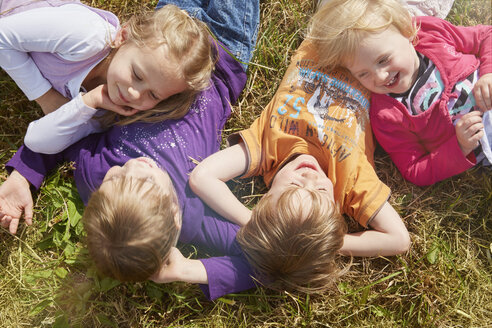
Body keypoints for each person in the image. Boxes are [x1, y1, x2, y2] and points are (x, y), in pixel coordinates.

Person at [0, 0, 260, 300]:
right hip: (222, 54)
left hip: (163, 41)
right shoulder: (194, 216)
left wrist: (23, 175)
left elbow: (66, 134)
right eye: (146, 182)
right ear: (175, 216)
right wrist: (187, 270)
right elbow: (264, 261)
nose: (133, 167)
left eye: (116, 176)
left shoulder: (95, 174)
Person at [189, 29, 410, 292]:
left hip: (329, 32)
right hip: (377, 52)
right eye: (320, 191)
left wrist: (254, 223)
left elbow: (201, 177)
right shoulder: (350, 181)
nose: (309, 177)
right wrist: (333, 242)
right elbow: (399, 240)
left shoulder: (266, 150)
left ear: (266, 199)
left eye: (293, 187)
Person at [308, 0, 492, 186]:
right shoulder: (386, 116)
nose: (380, 76)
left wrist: (488, 73)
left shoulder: (430, 33)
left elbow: (486, 36)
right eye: (363, 74)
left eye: (383, 60)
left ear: (406, 31)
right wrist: (460, 146)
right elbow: (414, 169)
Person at [0, 0, 213, 154]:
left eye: (154, 94)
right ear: (123, 36)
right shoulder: (87, 36)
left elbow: (37, 142)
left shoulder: (109, 110)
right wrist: (45, 97)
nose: (134, 94)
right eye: (137, 75)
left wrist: (89, 102)